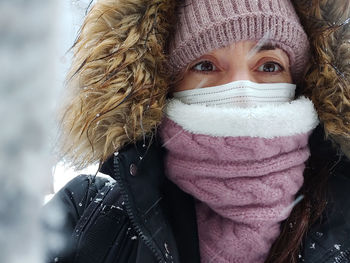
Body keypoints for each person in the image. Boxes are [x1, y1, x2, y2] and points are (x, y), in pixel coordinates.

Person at [45, 0, 350, 262]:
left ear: (299, 85)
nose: (241, 92)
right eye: (205, 65)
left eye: (269, 66)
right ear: (166, 86)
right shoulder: (87, 214)